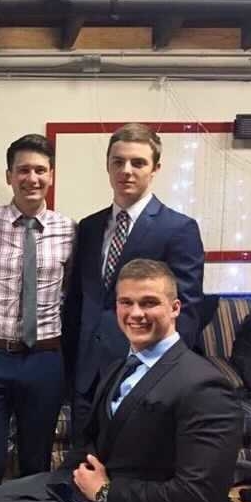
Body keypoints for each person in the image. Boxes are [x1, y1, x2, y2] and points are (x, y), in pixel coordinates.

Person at [0, 258, 242, 502]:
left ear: (175, 308)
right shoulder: (121, 367)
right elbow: (91, 443)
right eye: (125, 302)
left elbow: (199, 498)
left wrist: (105, 493)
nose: (135, 314)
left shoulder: (204, 386)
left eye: (149, 303)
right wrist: (63, 486)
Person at [63, 123, 205, 437]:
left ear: (155, 168)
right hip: (88, 375)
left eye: (138, 162)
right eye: (118, 161)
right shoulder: (88, 227)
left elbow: (188, 310)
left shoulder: (178, 229)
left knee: (132, 471)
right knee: (80, 467)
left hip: (142, 373)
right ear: (108, 166)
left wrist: (166, 374)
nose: (126, 170)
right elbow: (79, 302)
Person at [0, 134, 76, 490]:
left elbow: (70, 287)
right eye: (23, 170)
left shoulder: (69, 230)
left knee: (35, 462)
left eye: (40, 170)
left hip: (44, 358)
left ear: (52, 174)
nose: (32, 178)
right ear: (9, 175)